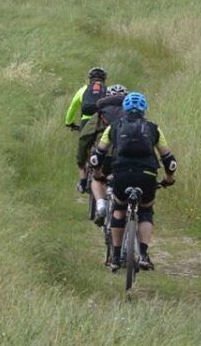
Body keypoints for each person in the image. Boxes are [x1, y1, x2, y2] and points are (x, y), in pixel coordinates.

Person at [91, 92, 177, 271]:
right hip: (147, 174)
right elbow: (168, 159)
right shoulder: (153, 128)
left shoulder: (114, 127)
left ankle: (115, 256)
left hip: (121, 172)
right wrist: (169, 179)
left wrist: (99, 174)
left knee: (119, 209)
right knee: (146, 209)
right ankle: (144, 255)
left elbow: (98, 156)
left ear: (125, 109)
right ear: (144, 110)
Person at [84, 84, 130, 224]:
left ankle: (101, 205)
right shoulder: (132, 114)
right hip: (124, 155)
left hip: (104, 154)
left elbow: (85, 136)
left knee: (97, 179)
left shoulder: (100, 114)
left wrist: (81, 159)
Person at [63, 66, 109, 196]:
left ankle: (83, 182)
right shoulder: (107, 91)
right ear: (104, 80)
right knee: (104, 146)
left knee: (83, 150)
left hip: (86, 122)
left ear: (90, 79)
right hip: (102, 121)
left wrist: (69, 123)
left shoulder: (83, 90)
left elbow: (73, 107)